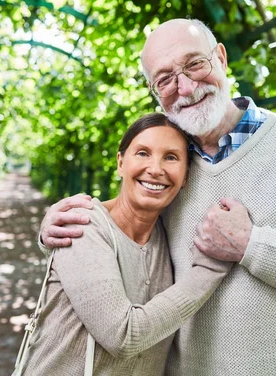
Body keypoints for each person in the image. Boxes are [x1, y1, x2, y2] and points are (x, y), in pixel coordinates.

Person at [38, 18, 276, 375]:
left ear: (221, 58)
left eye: (194, 64)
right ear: (155, 92)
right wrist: (59, 227)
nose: (186, 86)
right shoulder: (171, 169)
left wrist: (252, 245)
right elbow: (123, 230)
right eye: (165, 79)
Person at [15, 113, 231, 375]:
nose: (155, 168)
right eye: (142, 153)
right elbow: (124, 336)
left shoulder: (172, 233)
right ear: (120, 162)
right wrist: (211, 268)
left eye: (171, 157)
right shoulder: (82, 223)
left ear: (186, 176)